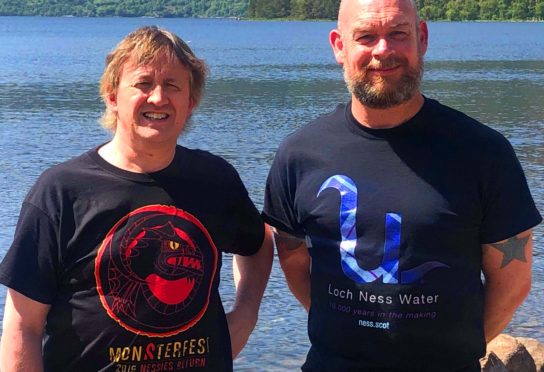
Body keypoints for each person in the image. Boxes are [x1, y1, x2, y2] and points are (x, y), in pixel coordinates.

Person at [262, 0, 542, 370]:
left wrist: (454, 350)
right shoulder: (300, 153)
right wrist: (341, 329)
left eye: (398, 34)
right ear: (339, 46)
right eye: (366, 36)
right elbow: (292, 254)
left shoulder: (482, 152)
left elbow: (512, 280)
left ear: (421, 37)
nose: (383, 50)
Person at [0, 26, 273, 371]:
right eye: (143, 84)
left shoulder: (214, 179)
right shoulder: (61, 191)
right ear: (113, 96)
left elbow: (258, 241)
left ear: (190, 102)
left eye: (172, 85)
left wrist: (245, 315)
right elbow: (23, 326)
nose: (158, 98)